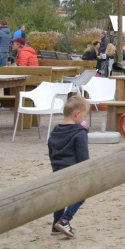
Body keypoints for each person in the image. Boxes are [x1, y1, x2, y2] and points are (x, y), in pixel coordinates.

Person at [48, 94, 90, 238]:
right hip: (73, 170)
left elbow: (51, 150)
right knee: (82, 194)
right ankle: (65, 220)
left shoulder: (55, 131)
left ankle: (56, 225)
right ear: (77, 114)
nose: (83, 119)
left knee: (60, 198)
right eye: (84, 115)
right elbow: (83, 157)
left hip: (57, 168)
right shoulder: (79, 133)